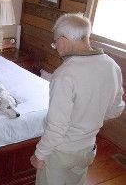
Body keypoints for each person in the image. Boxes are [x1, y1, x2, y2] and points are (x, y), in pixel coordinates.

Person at [30, 13, 125, 185]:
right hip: (88, 150)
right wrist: (90, 119)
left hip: (61, 153)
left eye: (55, 42)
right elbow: (116, 109)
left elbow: (56, 127)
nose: (56, 47)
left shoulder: (65, 74)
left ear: (64, 40)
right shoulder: (112, 66)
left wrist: (39, 154)